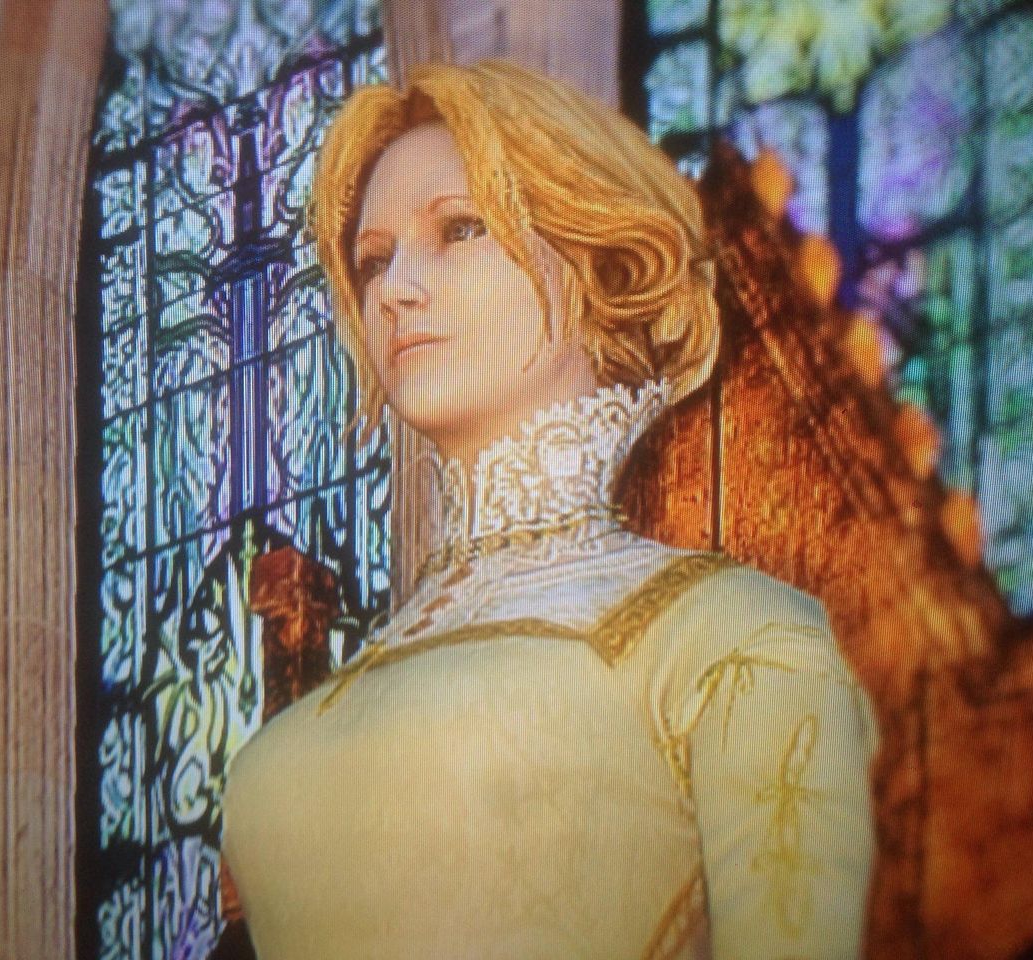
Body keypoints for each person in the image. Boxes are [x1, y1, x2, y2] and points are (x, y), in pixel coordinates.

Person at [220, 58, 877, 960]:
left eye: (460, 229)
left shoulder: (733, 638)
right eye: (373, 261)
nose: (396, 290)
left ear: (597, 262)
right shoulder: (313, 724)